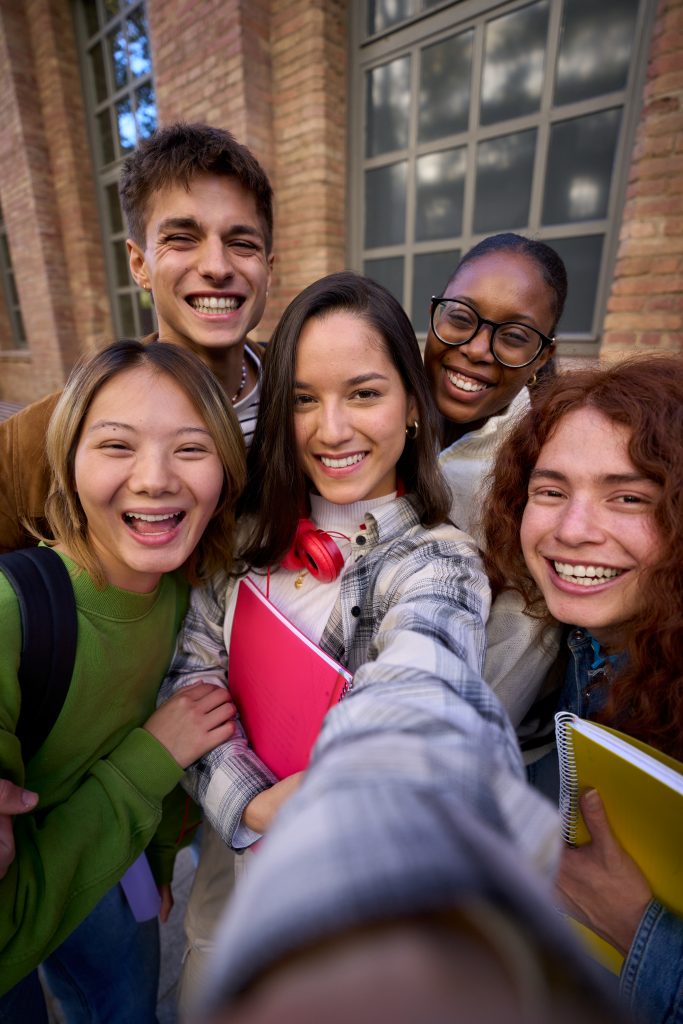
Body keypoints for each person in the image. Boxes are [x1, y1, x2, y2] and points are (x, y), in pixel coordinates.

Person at [159, 271, 545, 1001]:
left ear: (409, 406)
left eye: (363, 393)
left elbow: (422, 684)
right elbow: (189, 683)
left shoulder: (440, 562)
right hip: (227, 876)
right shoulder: (241, 535)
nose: (330, 429)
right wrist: (251, 805)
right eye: (303, 399)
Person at [0, 340, 245, 1020]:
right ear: (68, 463)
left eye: (190, 449)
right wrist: (153, 756)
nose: (155, 478)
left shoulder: (183, 598)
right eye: (116, 445)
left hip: (119, 874)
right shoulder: (10, 614)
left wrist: (160, 864)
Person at [482, 356, 683, 1024]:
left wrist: (636, 928)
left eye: (628, 497)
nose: (571, 531)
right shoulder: (582, 636)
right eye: (550, 490)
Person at [0, 121, 274, 554]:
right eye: (182, 238)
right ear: (139, 264)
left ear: (268, 267)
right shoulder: (36, 442)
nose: (218, 267)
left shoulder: (307, 400)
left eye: (242, 243)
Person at [424, 232, 566, 540]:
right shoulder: (384, 410)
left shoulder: (545, 469)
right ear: (435, 313)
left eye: (514, 336)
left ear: (541, 357)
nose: (476, 350)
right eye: (460, 317)